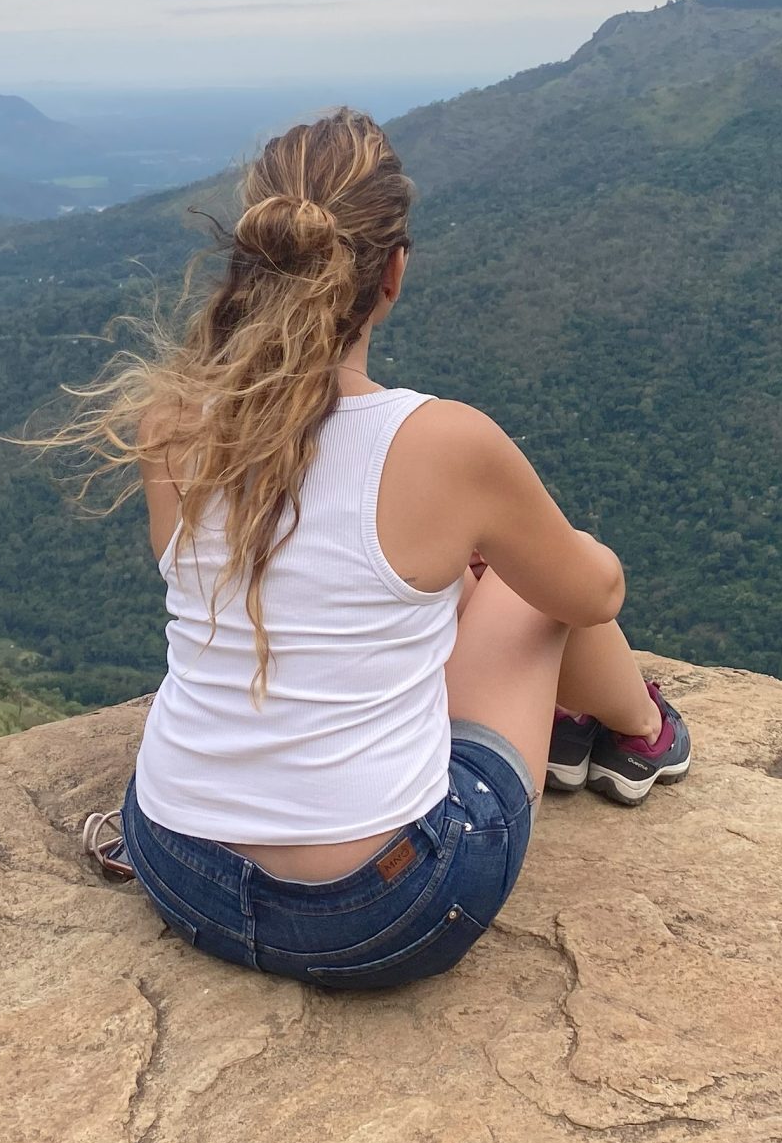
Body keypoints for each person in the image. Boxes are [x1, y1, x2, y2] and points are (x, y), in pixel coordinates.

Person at [43, 108, 688, 990]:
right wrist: (528, 557)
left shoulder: (175, 420)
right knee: (536, 577)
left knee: (437, 585)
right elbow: (591, 597)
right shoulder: (441, 444)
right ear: (393, 272)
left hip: (176, 861)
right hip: (377, 910)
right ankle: (641, 734)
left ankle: (596, 731)